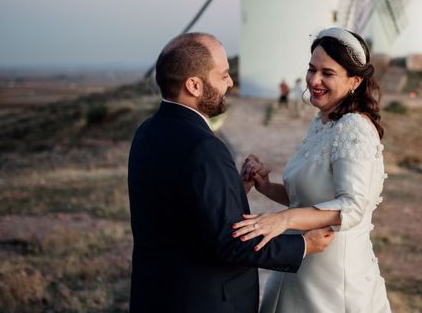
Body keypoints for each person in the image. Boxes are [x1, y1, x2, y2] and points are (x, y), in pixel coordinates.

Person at [127, 32, 334, 313]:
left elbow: (180, 209)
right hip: (204, 301)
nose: (230, 82)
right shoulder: (204, 146)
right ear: (194, 85)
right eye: (223, 75)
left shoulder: (147, 131)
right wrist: (302, 245)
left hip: (156, 295)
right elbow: (230, 243)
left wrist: (235, 187)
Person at [237, 27, 391, 312]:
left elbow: (352, 206)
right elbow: (309, 199)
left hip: (332, 279)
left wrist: (283, 221)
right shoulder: (323, 123)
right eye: (311, 69)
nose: (314, 80)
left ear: (354, 81)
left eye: (327, 73)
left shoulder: (354, 127)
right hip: (299, 261)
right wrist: (266, 186)